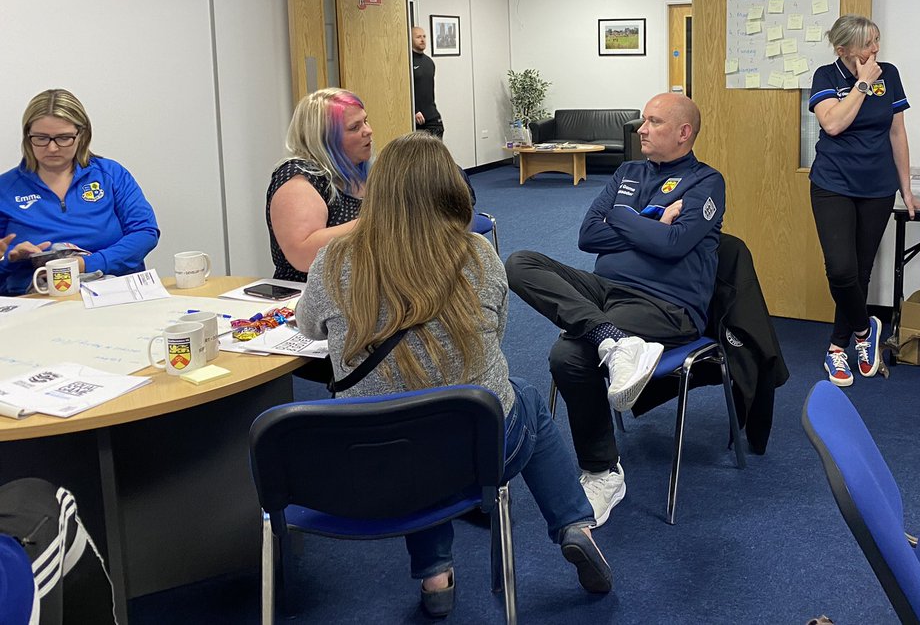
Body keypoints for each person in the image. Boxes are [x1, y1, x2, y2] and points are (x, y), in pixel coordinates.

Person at [296, 133, 611, 618]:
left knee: (406, 429)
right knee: (517, 400)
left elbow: (307, 326)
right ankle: (574, 526)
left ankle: (435, 576)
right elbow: (497, 330)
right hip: (477, 453)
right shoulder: (478, 255)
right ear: (451, 189)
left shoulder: (334, 261)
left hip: (368, 459)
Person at [505, 93, 724, 526]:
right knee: (520, 263)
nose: (641, 129)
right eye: (643, 120)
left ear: (683, 133)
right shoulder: (628, 170)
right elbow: (588, 235)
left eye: (653, 122)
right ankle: (613, 340)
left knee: (568, 353)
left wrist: (624, 215)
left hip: (667, 306)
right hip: (606, 290)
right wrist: (653, 218)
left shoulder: (706, 181)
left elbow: (673, 243)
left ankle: (603, 472)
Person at [808, 16, 920, 387]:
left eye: (877, 41)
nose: (875, 50)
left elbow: (896, 131)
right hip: (833, 183)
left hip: (877, 186)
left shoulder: (889, 73)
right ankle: (864, 329)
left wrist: (905, 188)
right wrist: (862, 84)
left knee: (860, 270)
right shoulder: (826, 77)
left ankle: (838, 347)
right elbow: (834, 125)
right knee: (840, 269)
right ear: (843, 50)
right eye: (866, 45)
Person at [0, 89, 159, 296]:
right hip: (38, 298)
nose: (52, 148)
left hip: (113, 291)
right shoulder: (6, 188)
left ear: (81, 136)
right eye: (41, 138)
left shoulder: (110, 174)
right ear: (27, 136)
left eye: (64, 138)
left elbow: (145, 232)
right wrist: (9, 261)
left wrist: (86, 264)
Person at [266, 88, 372, 283]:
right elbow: (304, 256)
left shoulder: (364, 171)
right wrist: (379, 220)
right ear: (324, 139)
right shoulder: (299, 179)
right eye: (354, 127)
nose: (368, 131)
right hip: (307, 300)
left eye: (365, 121)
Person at [411, 26, 444, 139]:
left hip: (431, 114)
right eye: (418, 37)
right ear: (410, 39)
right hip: (416, 117)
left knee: (437, 150)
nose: (422, 40)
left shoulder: (429, 62)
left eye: (424, 36)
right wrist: (414, 110)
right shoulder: (408, 61)